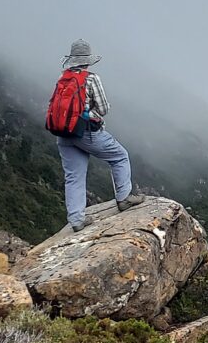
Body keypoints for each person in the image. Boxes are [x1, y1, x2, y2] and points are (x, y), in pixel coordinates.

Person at [55, 39, 144, 231]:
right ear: (87, 61)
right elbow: (103, 109)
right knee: (120, 156)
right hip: (85, 132)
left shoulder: (64, 78)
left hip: (63, 133)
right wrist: (92, 113)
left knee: (74, 176)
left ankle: (77, 220)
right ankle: (124, 198)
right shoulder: (91, 78)